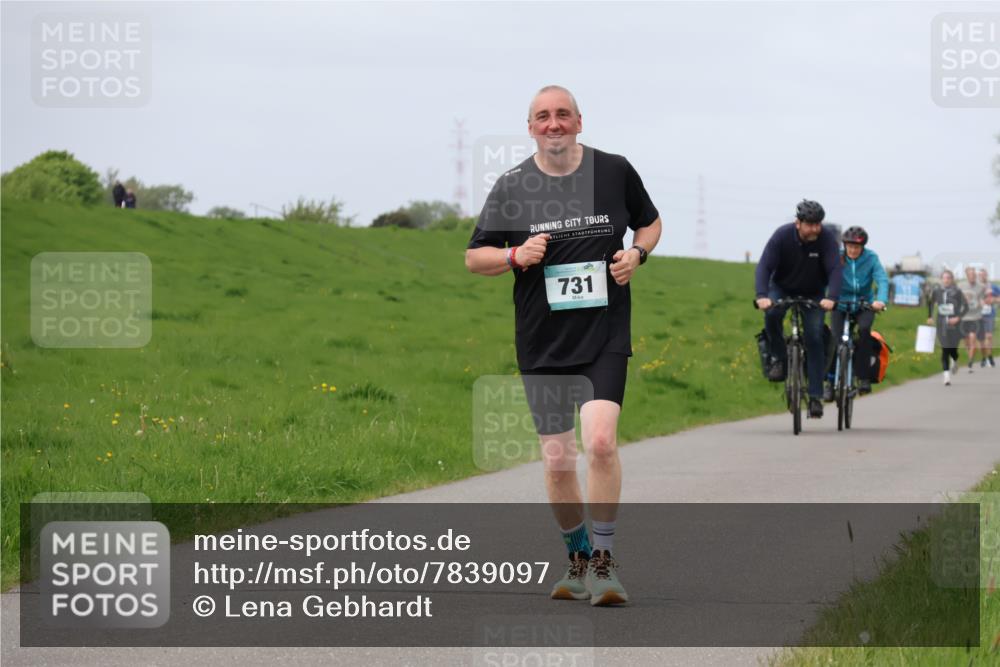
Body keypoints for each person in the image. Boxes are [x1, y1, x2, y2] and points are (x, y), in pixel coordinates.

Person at [465, 85, 662, 606]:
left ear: (579, 121)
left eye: (562, 115)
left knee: (599, 442)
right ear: (530, 127)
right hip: (543, 340)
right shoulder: (512, 186)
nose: (553, 124)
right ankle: (576, 560)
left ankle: (603, 563)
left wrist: (638, 254)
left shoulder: (614, 170)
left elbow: (650, 221)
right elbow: (474, 257)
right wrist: (514, 256)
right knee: (557, 459)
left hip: (604, 333)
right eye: (542, 117)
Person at [754, 200, 842, 419]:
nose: (814, 229)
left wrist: (831, 297)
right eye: (810, 224)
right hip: (782, 287)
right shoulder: (781, 237)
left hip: (813, 293)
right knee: (772, 314)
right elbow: (764, 266)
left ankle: (815, 397)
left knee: (813, 336)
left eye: (817, 224)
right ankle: (778, 358)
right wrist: (762, 296)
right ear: (798, 223)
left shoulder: (827, 240)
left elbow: (834, 270)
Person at [823, 226, 887, 401]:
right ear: (845, 245)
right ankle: (829, 383)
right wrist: (824, 298)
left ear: (863, 247)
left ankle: (863, 377)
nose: (853, 250)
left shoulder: (871, 258)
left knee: (865, 331)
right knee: (834, 339)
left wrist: (880, 301)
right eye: (850, 246)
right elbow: (824, 276)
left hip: (864, 304)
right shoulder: (836, 257)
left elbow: (881, 279)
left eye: (857, 247)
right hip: (840, 303)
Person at [927, 269, 968, 385]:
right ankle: (946, 376)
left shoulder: (957, 292)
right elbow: (930, 303)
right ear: (941, 279)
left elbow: (966, 307)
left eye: (948, 278)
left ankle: (955, 360)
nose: (946, 280)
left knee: (953, 349)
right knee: (945, 348)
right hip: (941, 324)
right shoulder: (937, 291)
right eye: (944, 278)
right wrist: (930, 316)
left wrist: (958, 318)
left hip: (955, 325)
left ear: (952, 279)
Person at [958, 266, 987, 372]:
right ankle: (970, 356)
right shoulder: (960, 285)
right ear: (967, 275)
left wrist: (982, 302)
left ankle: (970, 362)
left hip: (976, 317)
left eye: (974, 275)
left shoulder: (981, 286)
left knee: (973, 340)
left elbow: (983, 298)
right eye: (970, 275)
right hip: (964, 318)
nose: (972, 277)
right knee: (967, 343)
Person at [977, 268, 998, 368]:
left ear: (986, 275)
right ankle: (984, 357)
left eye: (984, 275)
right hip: (978, 315)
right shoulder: (975, 287)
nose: (982, 277)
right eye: (980, 275)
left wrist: (993, 299)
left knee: (989, 336)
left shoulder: (992, 287)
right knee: (981, 339)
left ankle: (989, 356)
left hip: (990, 314)